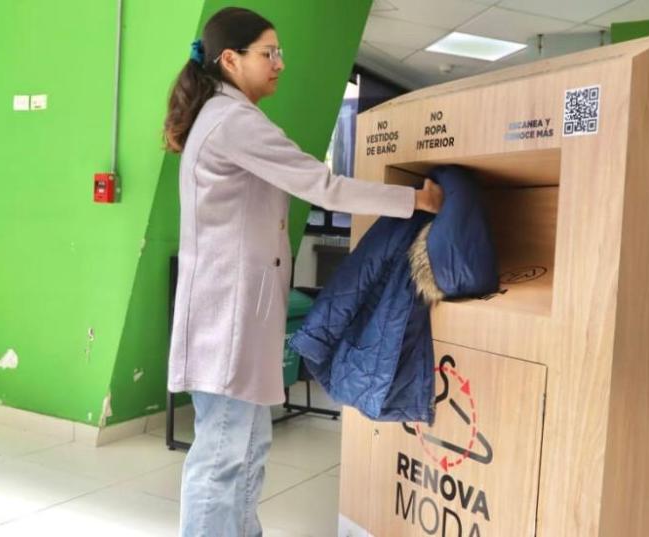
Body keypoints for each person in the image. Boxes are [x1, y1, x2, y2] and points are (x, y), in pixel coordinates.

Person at [162, 8, 443, 536]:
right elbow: (324, 187)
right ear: (230, 60)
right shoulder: (233, 121)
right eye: (268, 53)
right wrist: (415, 199)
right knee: (222, 456)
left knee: (248, 446)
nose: (280, 64)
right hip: (227, 320)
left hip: (237, 316)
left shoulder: (227, 115)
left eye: (279, 52)